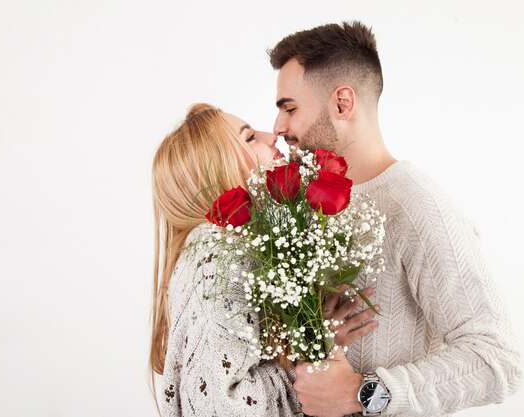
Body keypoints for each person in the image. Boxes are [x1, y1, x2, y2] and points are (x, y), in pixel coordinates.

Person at [268, 21, 523, 417]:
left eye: (289, 108)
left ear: (341, 103)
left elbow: (497, 359)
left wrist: (365, 393)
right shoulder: (304, 205)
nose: (278, 128)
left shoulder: (419, 208)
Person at [149, 103, 377, 416]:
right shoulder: (219, 255)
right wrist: (315, 351)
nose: (272, 135)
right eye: (249, 138)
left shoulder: (217, 249)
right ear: (218, 168)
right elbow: (221, 406)